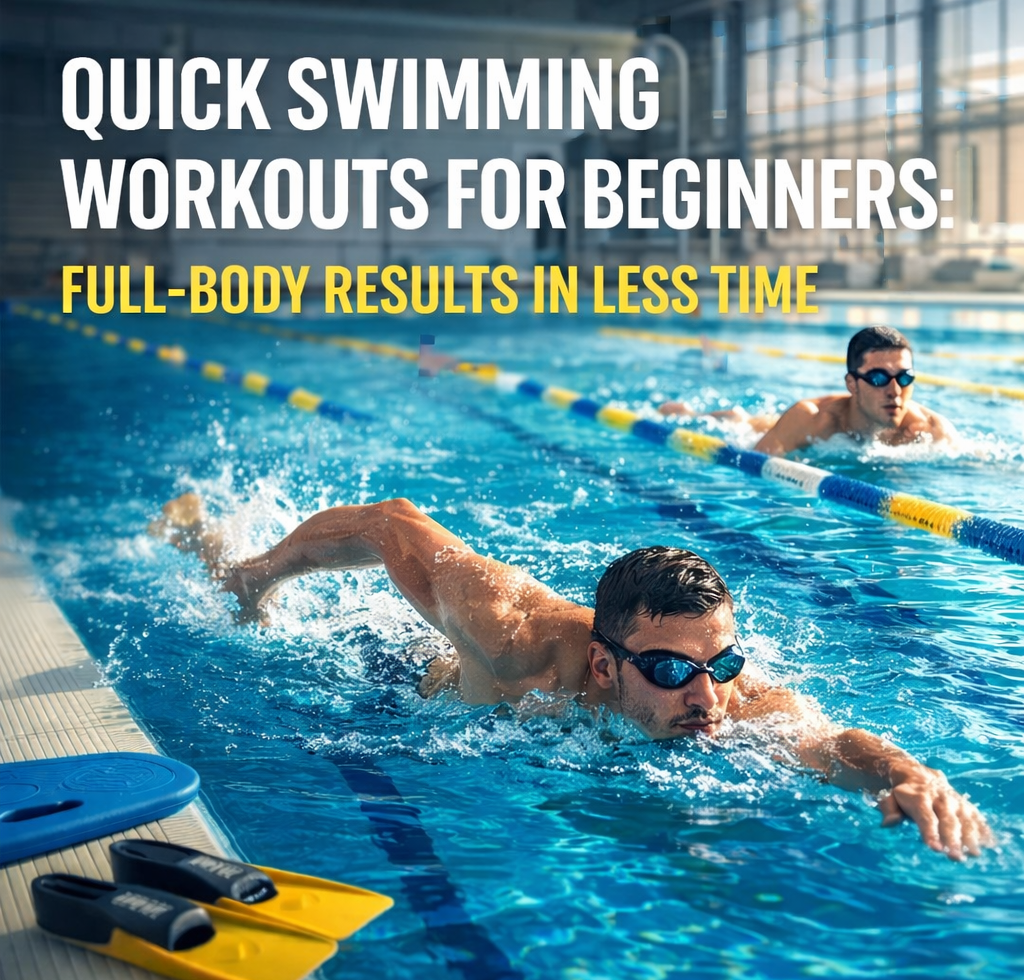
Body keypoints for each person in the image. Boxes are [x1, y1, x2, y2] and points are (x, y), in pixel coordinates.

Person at [154, 491, 991, 861]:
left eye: (720, 665)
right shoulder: (513, 635)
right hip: (398, 682)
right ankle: (216, 552)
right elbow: (391, 522)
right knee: (250, 582)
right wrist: (260, 580)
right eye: (669, 670)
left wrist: (907, 773)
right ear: (603, 661)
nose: (705, 699)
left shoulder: (722, 694)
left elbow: (827, 742)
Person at [659, 325, 958, 456]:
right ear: (851, 384)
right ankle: (690, 411)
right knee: (742, 422)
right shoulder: (812, 418)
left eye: (904, 378)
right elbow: (752, 466)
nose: (895, 390)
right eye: (879, 378)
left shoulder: (929, 429)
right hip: (779, 429)